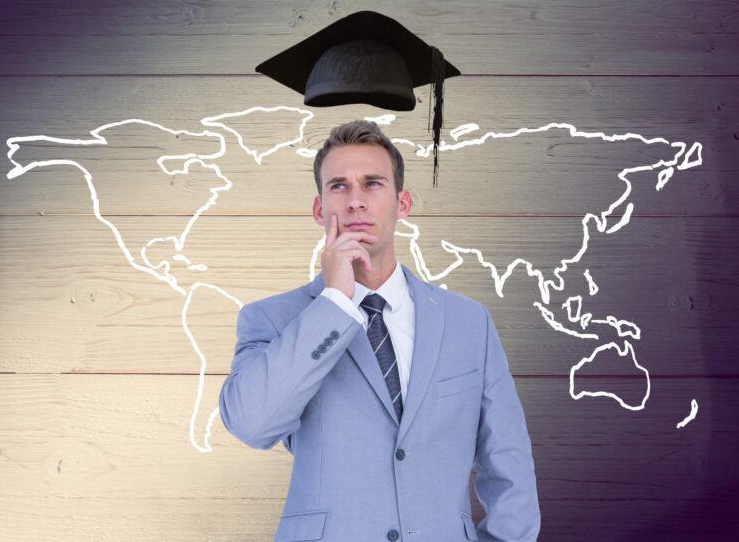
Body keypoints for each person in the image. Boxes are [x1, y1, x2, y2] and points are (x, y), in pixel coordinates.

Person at [219, 119, 541, 541]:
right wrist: (334, 302)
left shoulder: (469, 322)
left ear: (402, 203)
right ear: (320, 209)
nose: (356, 201)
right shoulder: (273, 319)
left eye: (372, 184)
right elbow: (250, 424)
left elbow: (508, 463)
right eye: (338, 186)